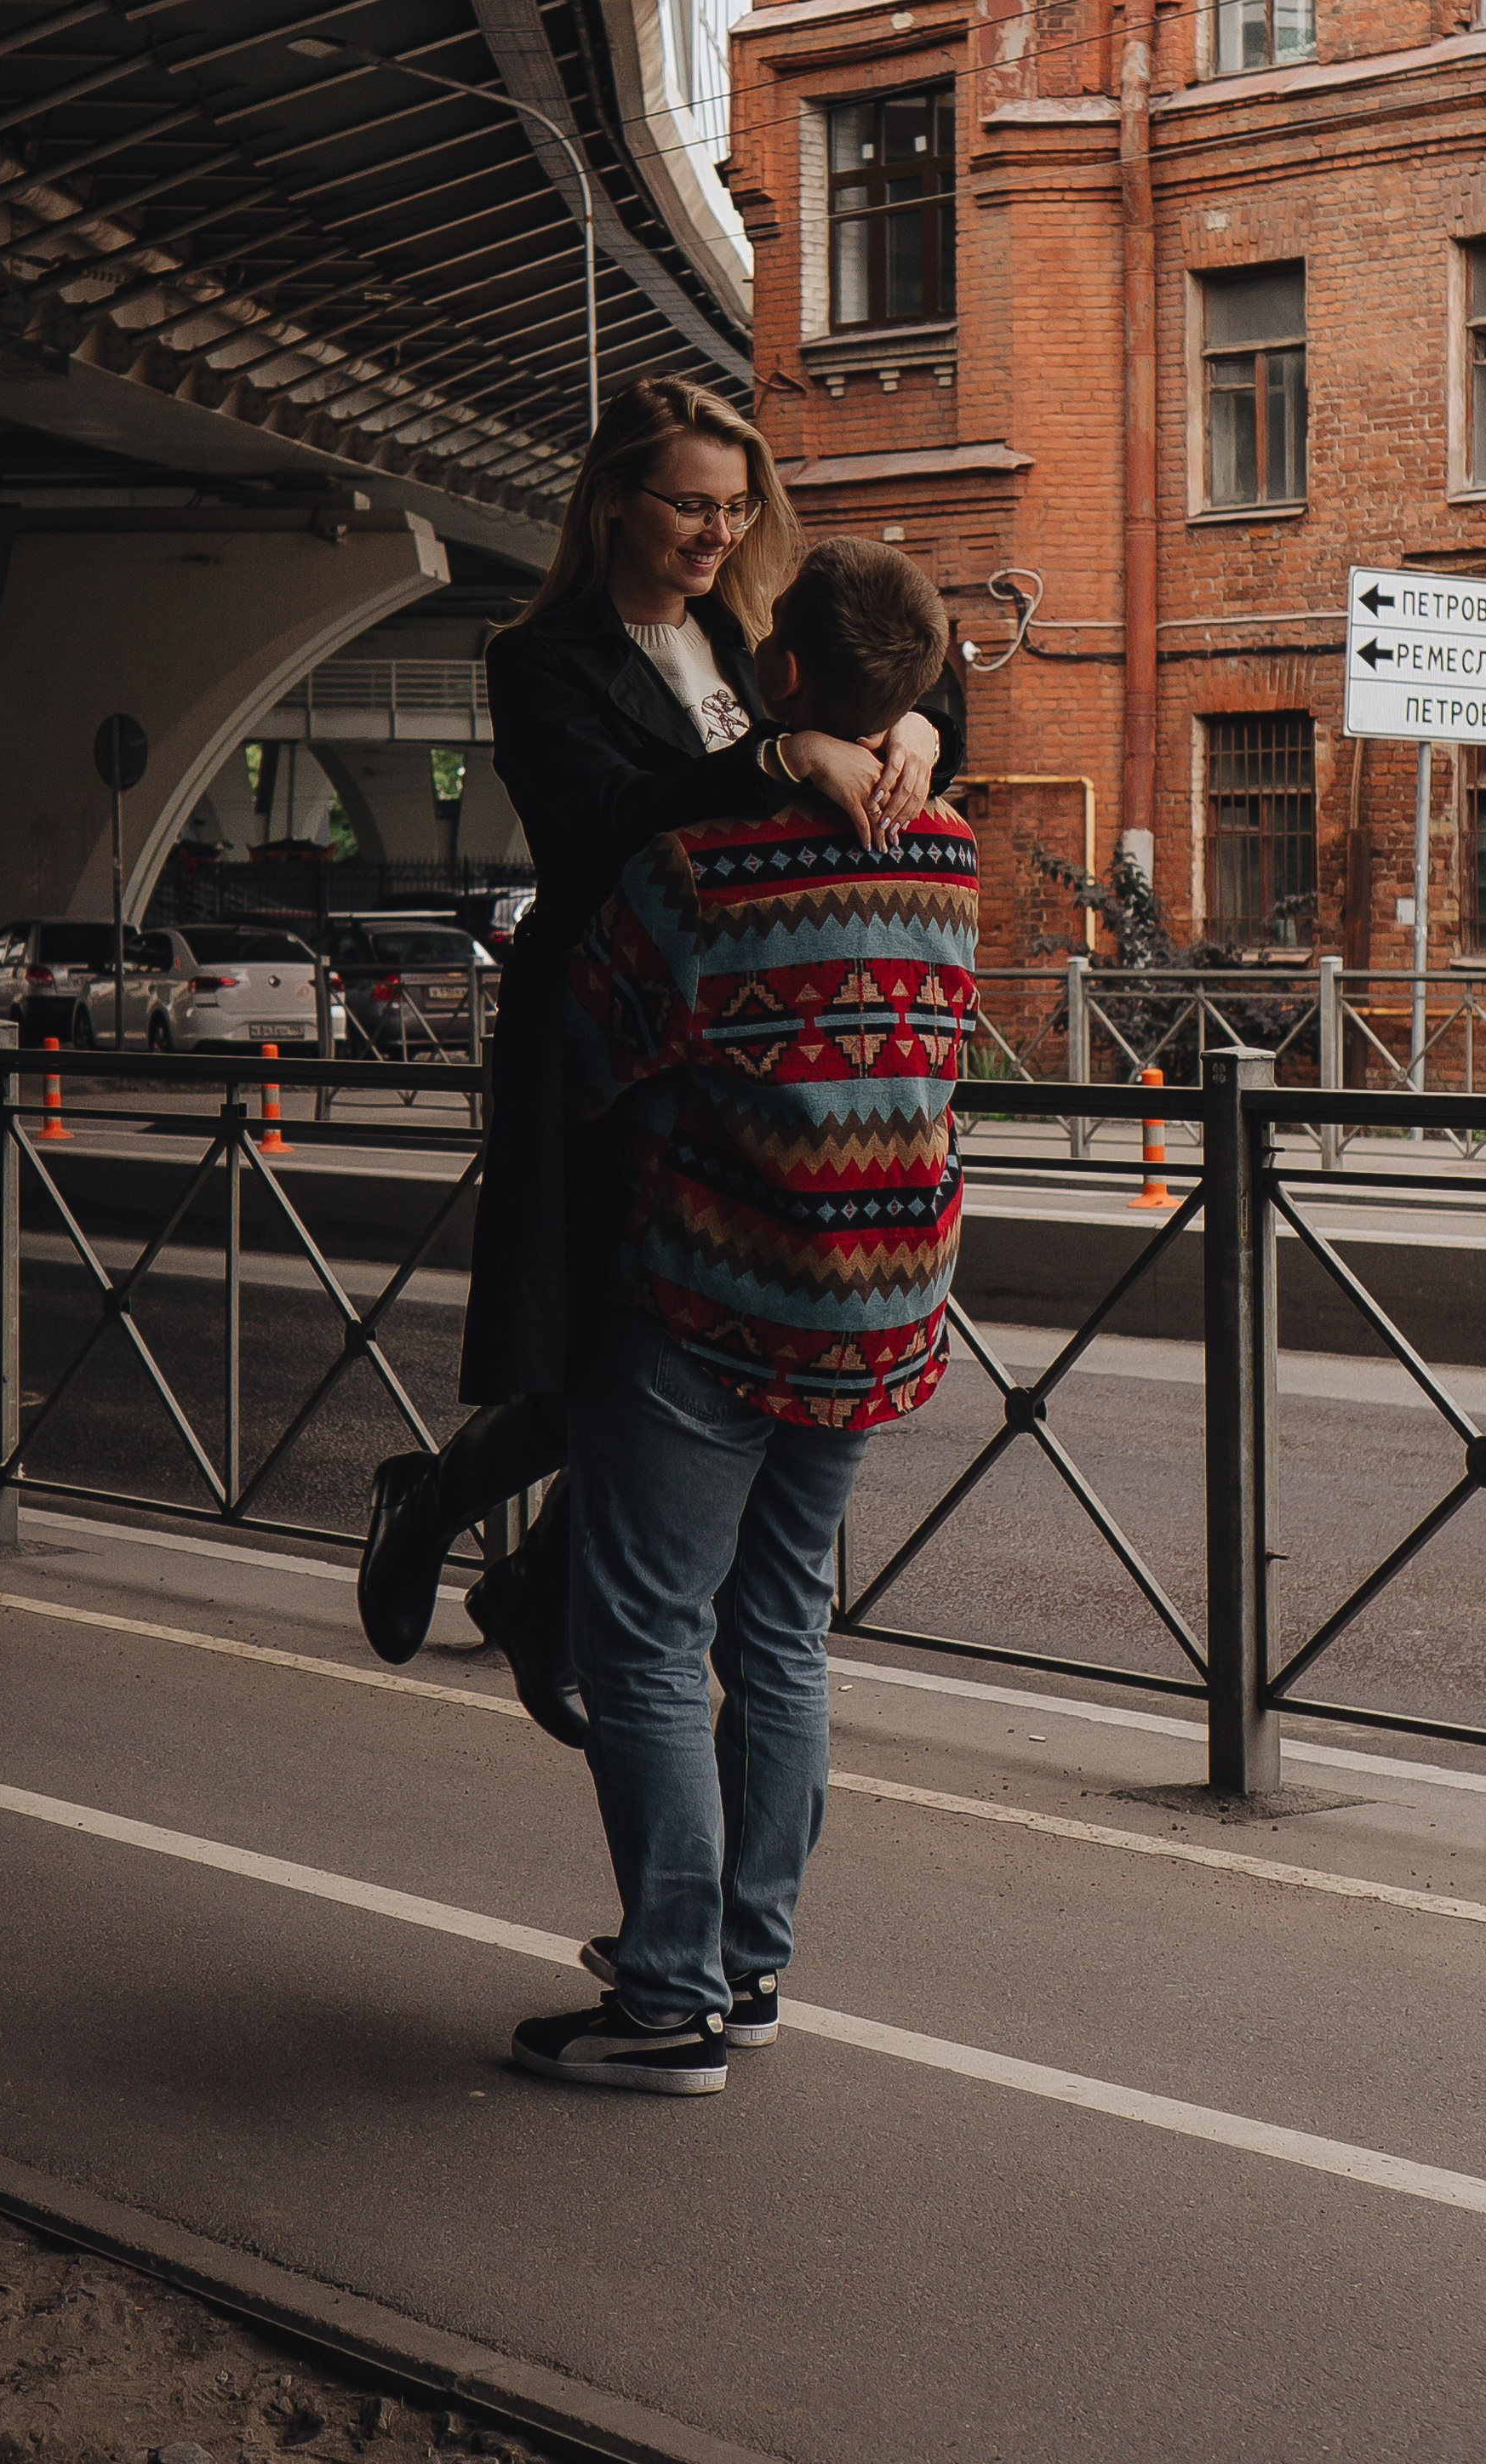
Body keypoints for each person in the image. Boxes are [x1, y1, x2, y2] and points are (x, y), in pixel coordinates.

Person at [355, 381, 962, 1724]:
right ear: (614, 501)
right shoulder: (544, 657)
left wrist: (917, 728)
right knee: (620, 1361)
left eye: (737, 505)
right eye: (689, 502)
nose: (716, 529)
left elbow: (912, 653)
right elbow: (604, 819)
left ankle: (519, 1580)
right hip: (602, 1044)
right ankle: (450, 1509)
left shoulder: (754, 632)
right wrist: (777, 756)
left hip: (745, 1065)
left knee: (693, 1355)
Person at [510, 537, 979, 2094]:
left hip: (713, 1301)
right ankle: (750, 1969)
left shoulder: (703, 871)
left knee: (642, 1637)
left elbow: (585, 1056)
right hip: (879, 1307)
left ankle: (666, 1998)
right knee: (780, 1633)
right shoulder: (951, 854)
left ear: (779, 680)